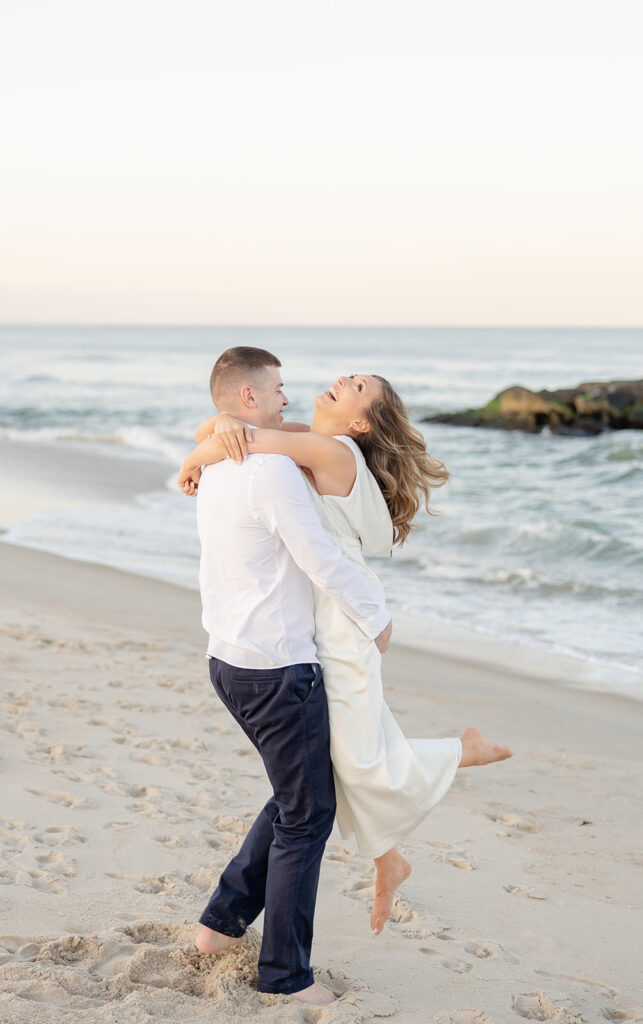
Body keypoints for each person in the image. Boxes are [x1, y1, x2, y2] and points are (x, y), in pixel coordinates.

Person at [180, 364, 513, 939]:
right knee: (326, 769)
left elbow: (248, 439)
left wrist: (197, 456)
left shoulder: (333, 454)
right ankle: (387, 860)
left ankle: (461, 751)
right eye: (351, 376)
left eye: (358, 388)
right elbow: (240, 432)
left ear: (360, 422)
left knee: (354, 758)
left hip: (346, 621)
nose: (343, 381)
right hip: (322, 625)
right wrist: (221, 421)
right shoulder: (319, 441)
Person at [188, 347, 393, 1007]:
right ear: (249, 400)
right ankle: (284, 975)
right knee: (308, 813)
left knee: (293, 796)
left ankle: (220, 926)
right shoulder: (270, 469)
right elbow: (320, 558)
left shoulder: (225, 464)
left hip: (228, 658)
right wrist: (375, 620)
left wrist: (198, 450)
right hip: (277, 670)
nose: (285, 397)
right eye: (276, 389)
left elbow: (213, 446)